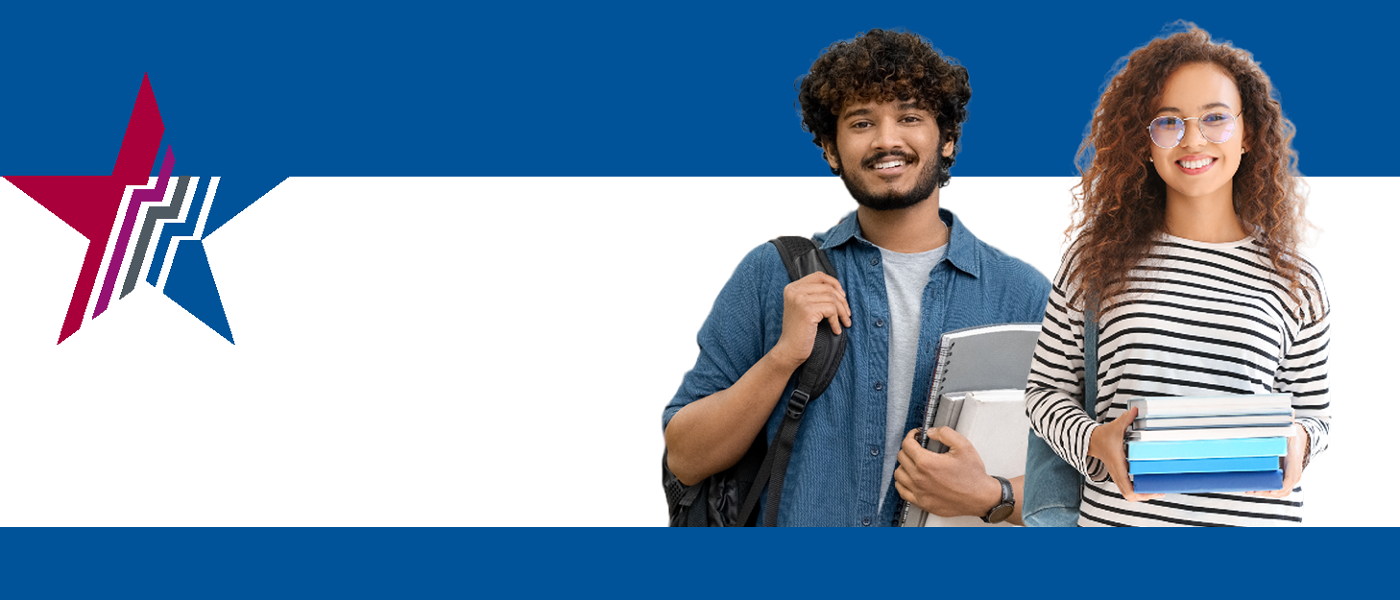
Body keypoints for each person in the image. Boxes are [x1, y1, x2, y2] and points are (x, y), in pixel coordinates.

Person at [662, 29, 1051, 527]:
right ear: (831, 149)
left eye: (909, 117)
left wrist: (989, 495)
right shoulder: (774, 275)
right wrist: (783, 358)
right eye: (862, 122)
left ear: (948, 139)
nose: (887, 139)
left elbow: (1091, 473)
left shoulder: (1024, 296)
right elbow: (686, 458)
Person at [1025, 25, 1330, 526]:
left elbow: (1315, 414)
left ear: (1248, 132)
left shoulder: (1295, 279)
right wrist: (1094, 441)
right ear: (1144, 142)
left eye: (1215, 119)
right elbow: (1043, 392)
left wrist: (1301, 438)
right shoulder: (1096, 260)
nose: (1193, 139)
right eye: (1168, 122)